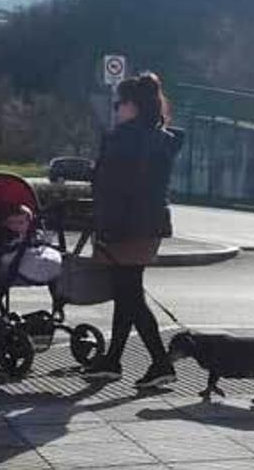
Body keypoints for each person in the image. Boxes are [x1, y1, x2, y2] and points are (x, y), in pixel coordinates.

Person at [82, 72, 183, 388]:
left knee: (130, 296)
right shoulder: (161, 138)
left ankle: (161, 363)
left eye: (119, 104)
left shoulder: (124, 139)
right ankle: (113, 360)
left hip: (124, 224)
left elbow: (111, 186)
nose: (115, 109)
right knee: (127, 294)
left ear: (133, 106)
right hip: (148, 224)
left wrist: (104, 224)